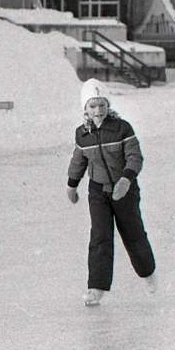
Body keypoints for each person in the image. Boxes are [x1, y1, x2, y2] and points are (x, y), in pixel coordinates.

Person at [66, 78, 157, 306]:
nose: (98, 110)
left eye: (102, 105)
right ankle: (96, 287)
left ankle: (148, 274)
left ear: (108, 106)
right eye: (92, 105)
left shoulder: (122, 128)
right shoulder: (82, 134)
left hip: (124, 189)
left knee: (133, 234)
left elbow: (135, 156)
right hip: (98, 191)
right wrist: (71, 184)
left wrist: (126, 178)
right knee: (100, 236)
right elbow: (78, 161)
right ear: (85, 109)